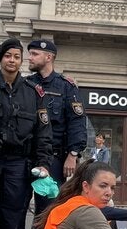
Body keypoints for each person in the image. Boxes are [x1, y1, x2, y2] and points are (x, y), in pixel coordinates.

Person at [0, 38, 53, 229]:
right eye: (8, 56)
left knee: (10, 218)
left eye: (17, 57)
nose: (12, 61)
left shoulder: (32, 92)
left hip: (18, 163)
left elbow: (43, 133)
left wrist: (43, 163)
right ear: (0, 59)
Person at [26, 39, 87, 182]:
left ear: (48, 57)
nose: (29, 58)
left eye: (35, 54)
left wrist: (72, 155)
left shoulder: (66, 86)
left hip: (54, 158)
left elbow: (77, 122)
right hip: (26, 155)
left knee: (50, 196)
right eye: (30, 54)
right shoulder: (26, 84)